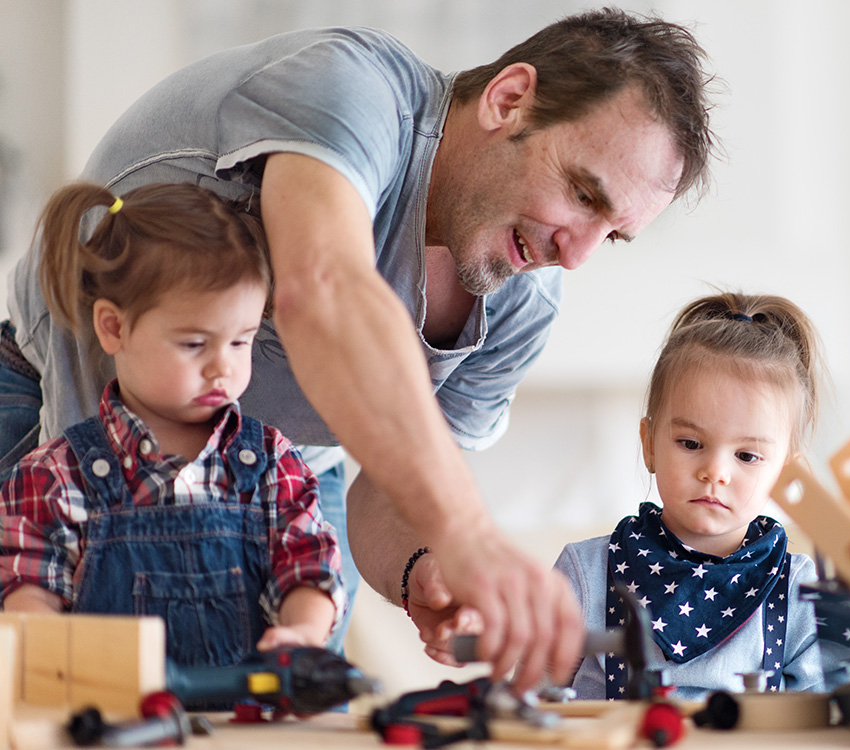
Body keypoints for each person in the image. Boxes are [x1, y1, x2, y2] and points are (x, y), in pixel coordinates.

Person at [0, 7, 717, 689]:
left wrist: (424, 564)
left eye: (613, 234)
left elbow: (392, 482)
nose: (579, 255)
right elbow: (323, 290)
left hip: (274, 480)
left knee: (292, 706)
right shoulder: (351, 89)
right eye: (583, 195)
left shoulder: (523, 301)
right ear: (509, 100)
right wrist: (465, 530)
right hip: (50, 426)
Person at [0, 182, 344, 670]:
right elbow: (27, 595)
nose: (222, 368)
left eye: (241, 342)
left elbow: (310, 565)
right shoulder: (55, 476)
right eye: (194, 344)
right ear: (113, 327)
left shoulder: (272, 464)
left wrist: (303, 631)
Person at [554, 291, 827, 700]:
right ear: (649, 444)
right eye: (690, 443)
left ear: (785, 472)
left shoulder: (798, 589)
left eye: (747, 455)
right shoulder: (585, 574)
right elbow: (529, 707)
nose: (715, 472)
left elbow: (827, 720)